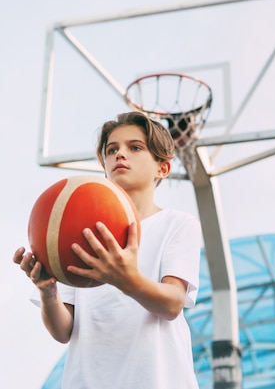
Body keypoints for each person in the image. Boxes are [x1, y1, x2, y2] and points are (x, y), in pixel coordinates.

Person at [13, 111, 202, 389]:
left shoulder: (176, 224)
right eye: (112, 150)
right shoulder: (80, 232)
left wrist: (126, 280)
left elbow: (172, 303)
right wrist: (48, 292)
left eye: (134, 147)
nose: (119, 155)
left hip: (155, 380)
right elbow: (63, 330)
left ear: (162, 168)